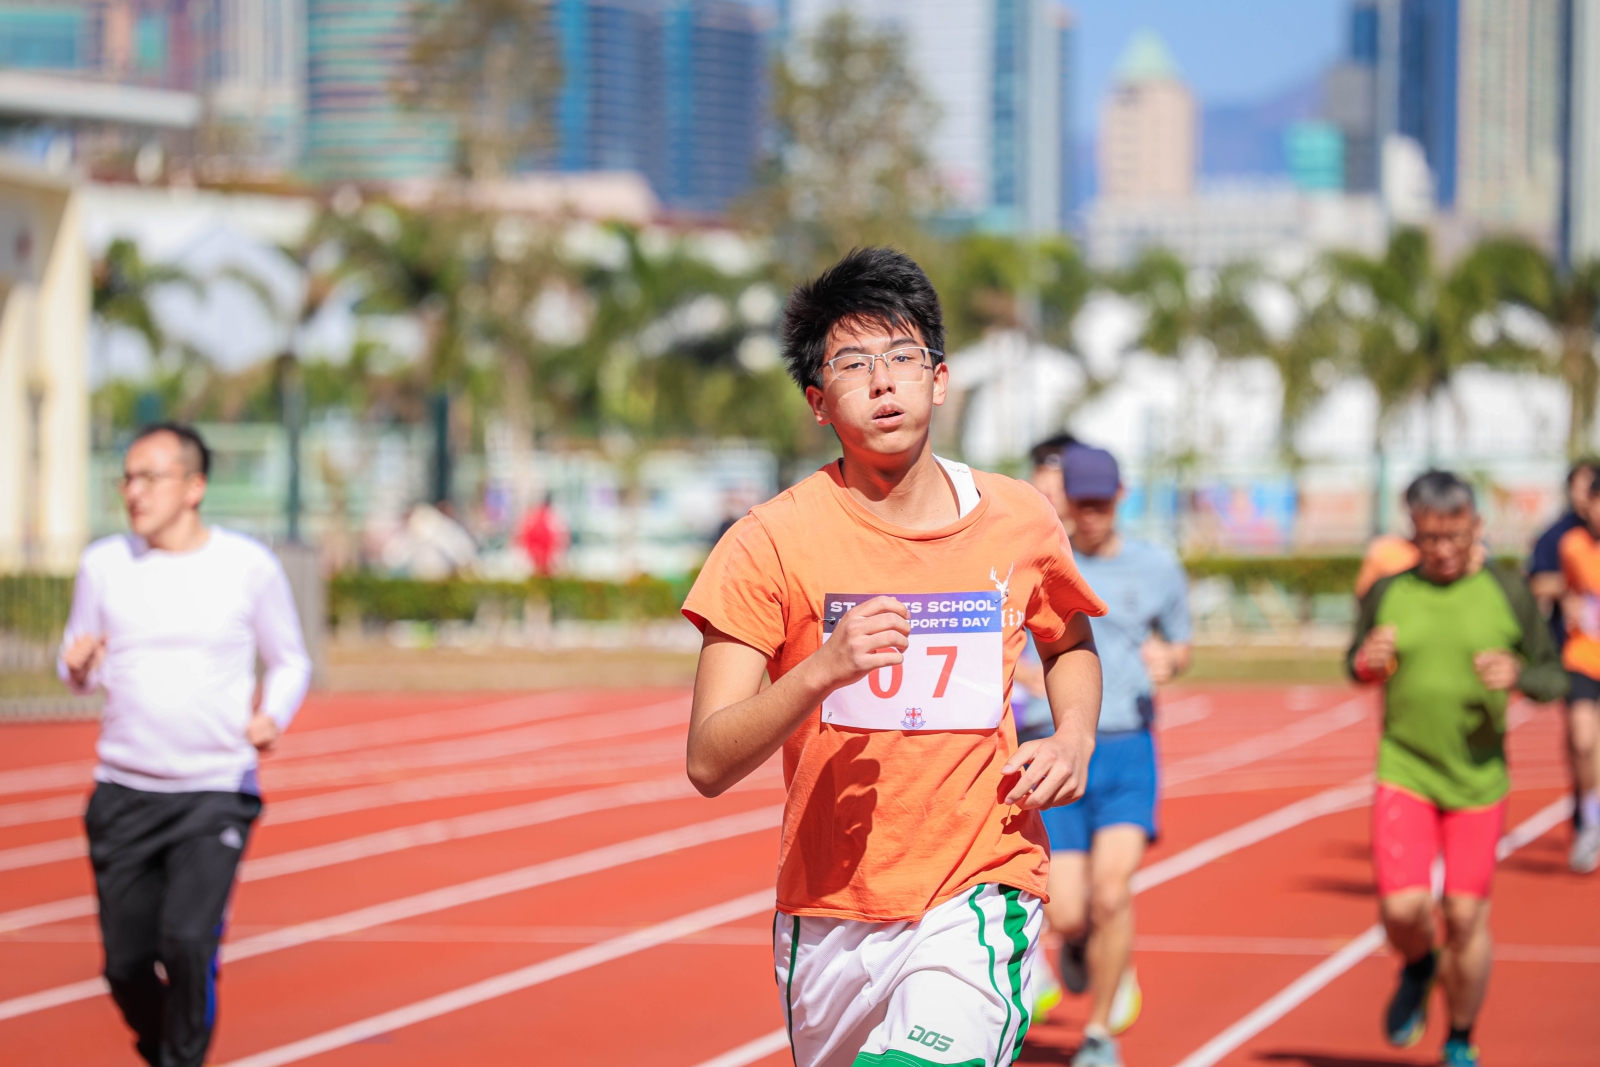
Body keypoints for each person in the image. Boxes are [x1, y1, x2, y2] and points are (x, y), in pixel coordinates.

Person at [682, 247, 1107, 1067]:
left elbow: (1071, 641)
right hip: (828, 913)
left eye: (903, 357)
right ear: (817, 401)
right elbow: (708, 758)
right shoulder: (768, 542)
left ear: (938, 379)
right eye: (854, 364)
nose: (883, 382)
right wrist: (820, 670)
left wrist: (1075, 735)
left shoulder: (1018, 518)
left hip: (979, 885)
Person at [59, 423, 312, 1067]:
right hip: (123, 791)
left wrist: (272, 715)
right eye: (126, 478)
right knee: (125, 966)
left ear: (194, 486)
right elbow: (75, 666)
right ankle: (165, 1047)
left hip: (214, 790)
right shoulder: (104, 565)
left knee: (189, 942)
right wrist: (77, 666)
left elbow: (290, 660)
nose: (133, 492)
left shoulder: (247, 566)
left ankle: (181, 1059)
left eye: (150, 477)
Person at [1349, 470, 1566, 1067]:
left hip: (1478, 778)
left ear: (1477, 527)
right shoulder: (1388, 591)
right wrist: (1368, 662)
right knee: (1402, 910)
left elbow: (1553, 676)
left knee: (1465, 917)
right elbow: (1355, 663)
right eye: (1430, 538)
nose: (1443, 549)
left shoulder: (1508, 590)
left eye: (1456, 536)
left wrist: (1520, 675)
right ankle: (1420, 965)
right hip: (1405, 768)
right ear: (1413, 531)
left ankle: (1460, 1039)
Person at [1040, 444, 1192, 1067]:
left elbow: (1180, 643)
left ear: (1120, 497)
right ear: (1066, 501)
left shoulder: (1157, 567)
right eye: (1082, 503)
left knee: (1111, 893)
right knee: (1066, 912)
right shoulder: (1047, 563)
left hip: (1128, 748)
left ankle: (1100, 1033)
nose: (1092, 514)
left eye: (1102, 503)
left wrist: (1170, 660)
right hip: (1060, 748)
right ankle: (1080, 944)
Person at [1527, 457, 1600, 871]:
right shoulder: (1566, 541)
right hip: (1580, 655)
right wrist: (1566, 596)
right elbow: (1541, 580)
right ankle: (1589, 818)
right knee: (1582, 738)